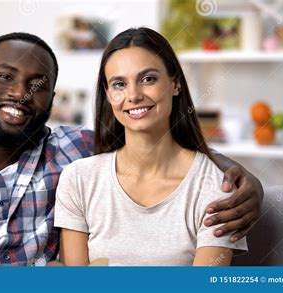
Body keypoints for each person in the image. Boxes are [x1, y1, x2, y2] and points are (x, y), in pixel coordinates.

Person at [0, 32, 262, 266]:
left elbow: (152, 140)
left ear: (52, 98)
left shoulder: (72, 150)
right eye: (5, 77)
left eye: (37, 84)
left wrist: (244, 180)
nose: (19, 93)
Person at [54, 27, 248, 266]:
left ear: (175, 84)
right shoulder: (78, 179)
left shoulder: (213, 185)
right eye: (119, 84)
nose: (133, 95)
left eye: (148, 79)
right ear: (107, 94)